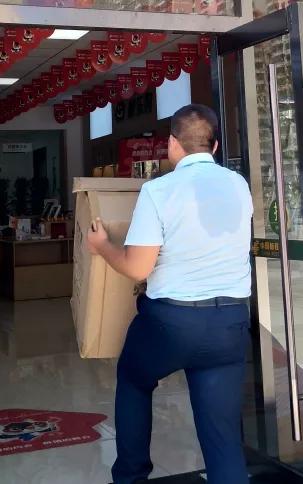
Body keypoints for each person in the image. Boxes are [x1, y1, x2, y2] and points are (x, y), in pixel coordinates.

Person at [87, 104, 253, 484]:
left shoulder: (158, 191)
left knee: (133, 379)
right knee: (223, 437)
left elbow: (137, 267)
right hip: (229, 323)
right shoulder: (238, 184)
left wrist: (102, 246)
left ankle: (131, 476)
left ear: (171, 145)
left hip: (172, 323)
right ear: (215, 147)